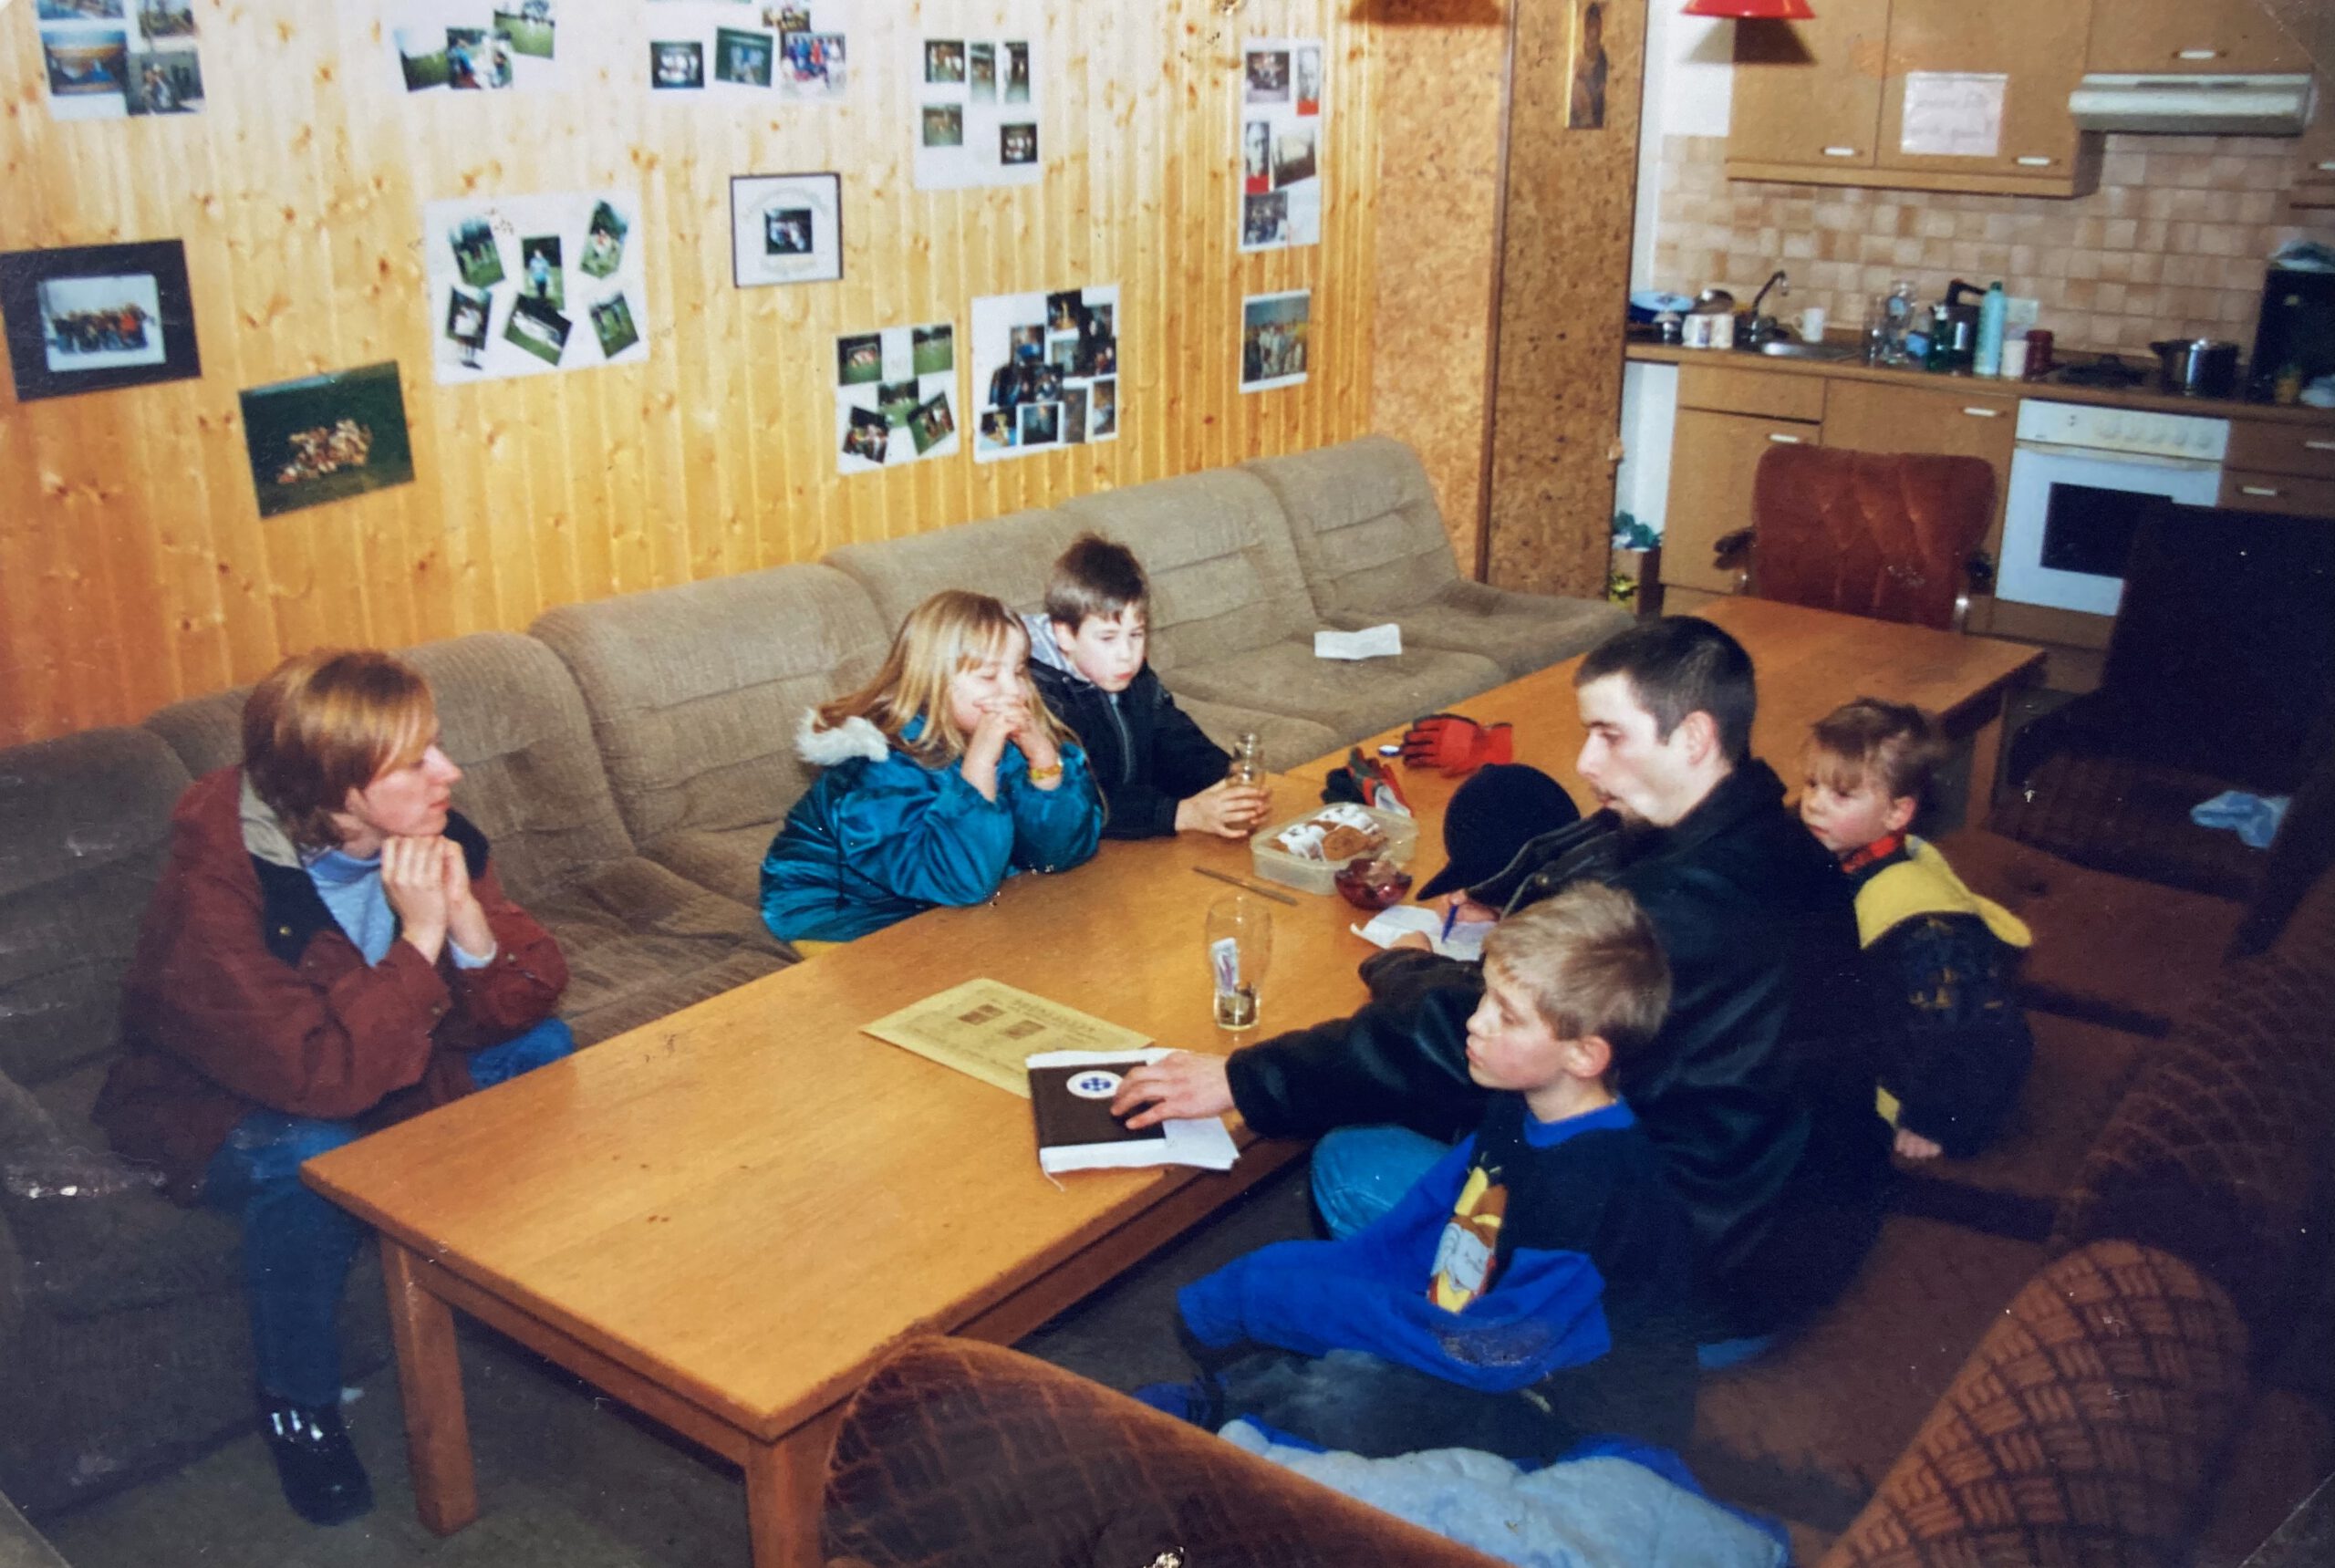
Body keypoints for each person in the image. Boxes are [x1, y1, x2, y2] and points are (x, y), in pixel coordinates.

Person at [1116, 618, 1887, 1359]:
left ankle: (1450, 1364)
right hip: (1792, 1232)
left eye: (1610, 734)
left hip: (1692, 1287)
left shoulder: (1678, 908)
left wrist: (1241, 1077)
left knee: (1352, 1160)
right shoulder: (1782, 842)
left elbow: (1456, 1042)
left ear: (1692, 737)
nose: (1586, 762)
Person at [93, 649, 573, 1526]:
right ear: (336, 788)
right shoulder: (215, 893)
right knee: (316, 1159)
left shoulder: (427, 834)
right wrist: (420, 942)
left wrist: (468, 923)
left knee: (544, 1050)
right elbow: (319, 1077)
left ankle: (527, 1294)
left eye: (437, 746)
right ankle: (297, 1403)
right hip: (224, 1108)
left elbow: (519, 1004)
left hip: (374, 1057)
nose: (451, 771)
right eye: (417, 760)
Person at [1143, 887, 1697, 1462]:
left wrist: (1295, 1307)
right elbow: (1409, 1239)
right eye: (1484, 994)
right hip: (1485, 1336)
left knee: (1348, 1392)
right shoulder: (1520, 1103)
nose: (1474, 1022)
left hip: (1564, 1417)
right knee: (1307, 1322)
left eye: (1506, 1015)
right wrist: (1266, 1284)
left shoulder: (1591, 1188)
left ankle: (1233, 1426)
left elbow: (1491, 1353)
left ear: (1584, 1055)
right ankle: (1224, 1409)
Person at [760, 590, 1104, 942]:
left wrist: (1044, 761)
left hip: (939, 895)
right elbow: (963, 883)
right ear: (931, 681)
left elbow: (1058, 856)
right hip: (838, 911)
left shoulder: (1002, 737)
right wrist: (980, 767)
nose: (1014, 691)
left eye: (1018, 672)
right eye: (989, 677)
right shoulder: (878, 766)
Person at [1800, 699, 2033, 1162]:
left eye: (1841, 794)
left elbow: (1970, 1028)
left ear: (1896, 813)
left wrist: (1934, 1117)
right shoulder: (1856, 853)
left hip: (1912, 1079)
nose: (1814, 804)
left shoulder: (1926, 927)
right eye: (1812, 784)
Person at [1022, 535, 1270, 841]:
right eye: (1108, 638)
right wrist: (1179, 813)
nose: (1127, 654)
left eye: (1136, 635)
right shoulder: (1040, 697)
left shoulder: (1130, 674)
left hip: (1139, 835)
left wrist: (1224, 784)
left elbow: (1175, 739)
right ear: (1065, 636)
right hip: (1082, 848)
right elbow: (1079, 802)